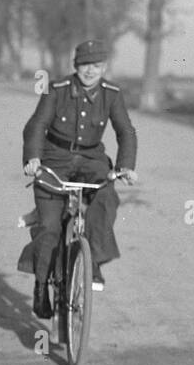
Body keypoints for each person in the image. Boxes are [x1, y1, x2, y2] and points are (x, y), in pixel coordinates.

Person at [19, 39, 138, 319]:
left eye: (96, 66)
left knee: (106, 196)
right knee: (49, 227)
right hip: (54, 158)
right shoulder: (57, 90)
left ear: (104, 67)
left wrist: (126, 166)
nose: (90, 72)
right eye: (85, 65)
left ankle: (92, 260)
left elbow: (126, 132)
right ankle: (40, 285)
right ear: (76, 66)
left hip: (91, 160)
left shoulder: (112, 94)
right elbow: (36, 125)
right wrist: (33, 158)